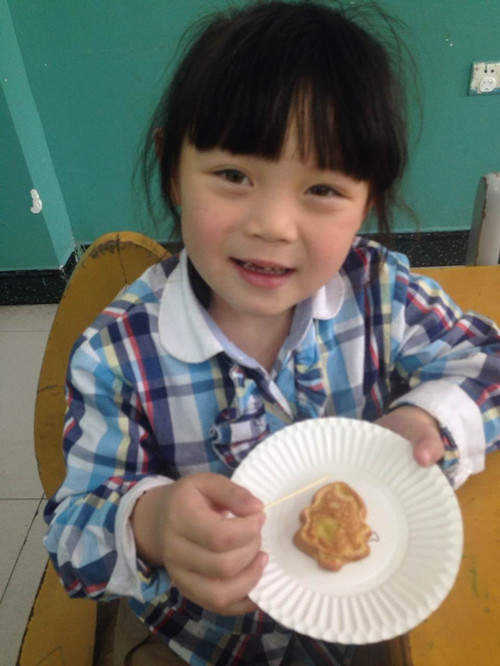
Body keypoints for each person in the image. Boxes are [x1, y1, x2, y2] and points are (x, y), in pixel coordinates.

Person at [43, 1, 500, 665]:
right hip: (197, 639)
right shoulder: (119, 355)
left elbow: (488, 362)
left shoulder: (381, 293)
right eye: (233, 176)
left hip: (365, 617)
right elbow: (70, 539)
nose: (273, 226)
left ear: (368, 201)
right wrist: (153, 524)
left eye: (322, 189)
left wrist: (430, 419)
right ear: (173, 170)